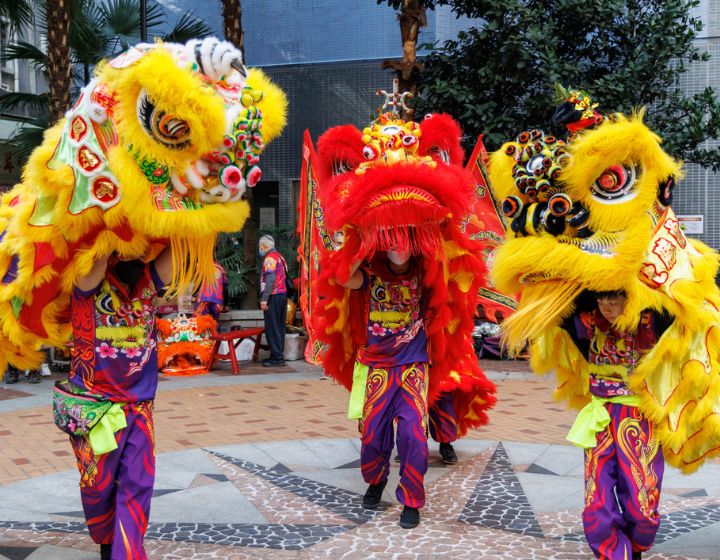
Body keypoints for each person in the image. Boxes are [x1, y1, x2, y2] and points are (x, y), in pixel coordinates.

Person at [68, 249, 172, 560]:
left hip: (139, 405)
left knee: (138, 485)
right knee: (97, 489)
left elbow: (180, 250)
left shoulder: (148, 284)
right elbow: (95, 251)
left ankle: (126, 553)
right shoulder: (86, 285)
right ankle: (107, 540)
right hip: (94, 407)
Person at [563, 291, 672, 560]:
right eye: (601, 301)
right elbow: (556, 307)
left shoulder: (653, 320)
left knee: (641, 500)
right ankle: (613, 553)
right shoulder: (586, 321)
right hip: (599, 415)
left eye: (613, 301)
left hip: (639, 418)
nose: (606, 307)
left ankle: (636, 546)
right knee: (595, 497)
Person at [341, 247, 429, 529]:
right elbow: (343, 277)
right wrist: (364, 243)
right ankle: (376, 481)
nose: (399, 248)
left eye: (404, 239)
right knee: (372, 434)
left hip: (413, 363)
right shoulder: (369, 273)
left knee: (414, 434)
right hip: (377, 365)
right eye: (392, 239)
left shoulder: (426, 271)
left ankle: (412, 500)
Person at [259, 235, 288, 367]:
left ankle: (277, 357)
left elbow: (270, 280)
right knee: (280, 327)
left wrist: (264, 299)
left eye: (260, 246)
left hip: (273, 296)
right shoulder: (280, 256)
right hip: (282, 295)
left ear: (264, 246)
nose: (259, 249)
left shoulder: (269, 259)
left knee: (272, 327)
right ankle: (277, 355)